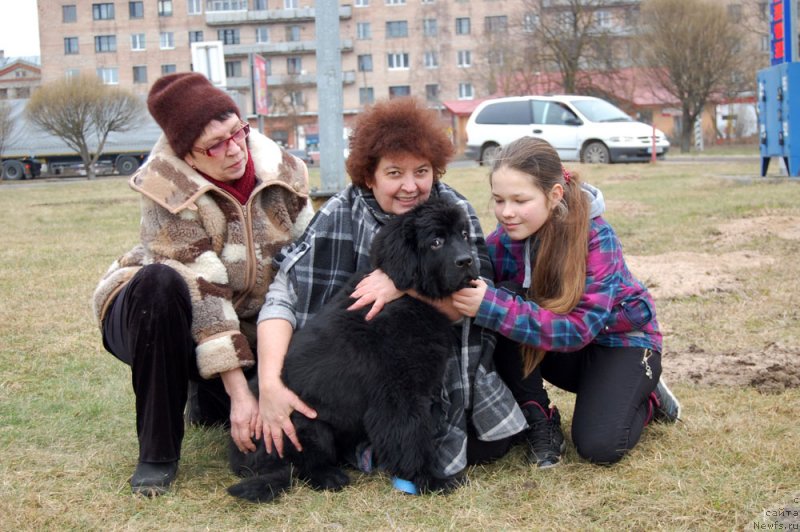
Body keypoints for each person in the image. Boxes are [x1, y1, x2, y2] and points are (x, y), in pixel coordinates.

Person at [256, 97, 528, 479]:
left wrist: (400, 284)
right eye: (395, 173)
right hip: (349, 374)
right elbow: (283, 296)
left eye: (422, 171)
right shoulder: (340, 213)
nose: (411, 186)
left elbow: (475, 294)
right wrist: (269, 386)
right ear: (370, 176)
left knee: (488, 448)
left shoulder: (453, 209)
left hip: (434, 365)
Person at [92, 72, 314, 496]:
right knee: (161, 284)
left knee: (228, 415)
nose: (234, 150)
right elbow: (205, 295)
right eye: (215, 145)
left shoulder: (284, 173)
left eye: (237, 133)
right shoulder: (166, 191)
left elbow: (310, 261)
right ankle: (157, 454)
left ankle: (208, 394)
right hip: (152, 311)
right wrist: (241, 394)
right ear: (187, 157)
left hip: (247, 317)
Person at [452, 136, 681, 468]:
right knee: (505, 293)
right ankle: (538, 417)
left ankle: (646, 397)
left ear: (554, 194)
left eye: (520, 200)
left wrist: (490, 306)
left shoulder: (596, 237)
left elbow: (579, 329)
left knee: (600, 446)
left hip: (620, 344)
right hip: (559, 350)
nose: (506, 212)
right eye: (498, 200)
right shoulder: (502, 242)